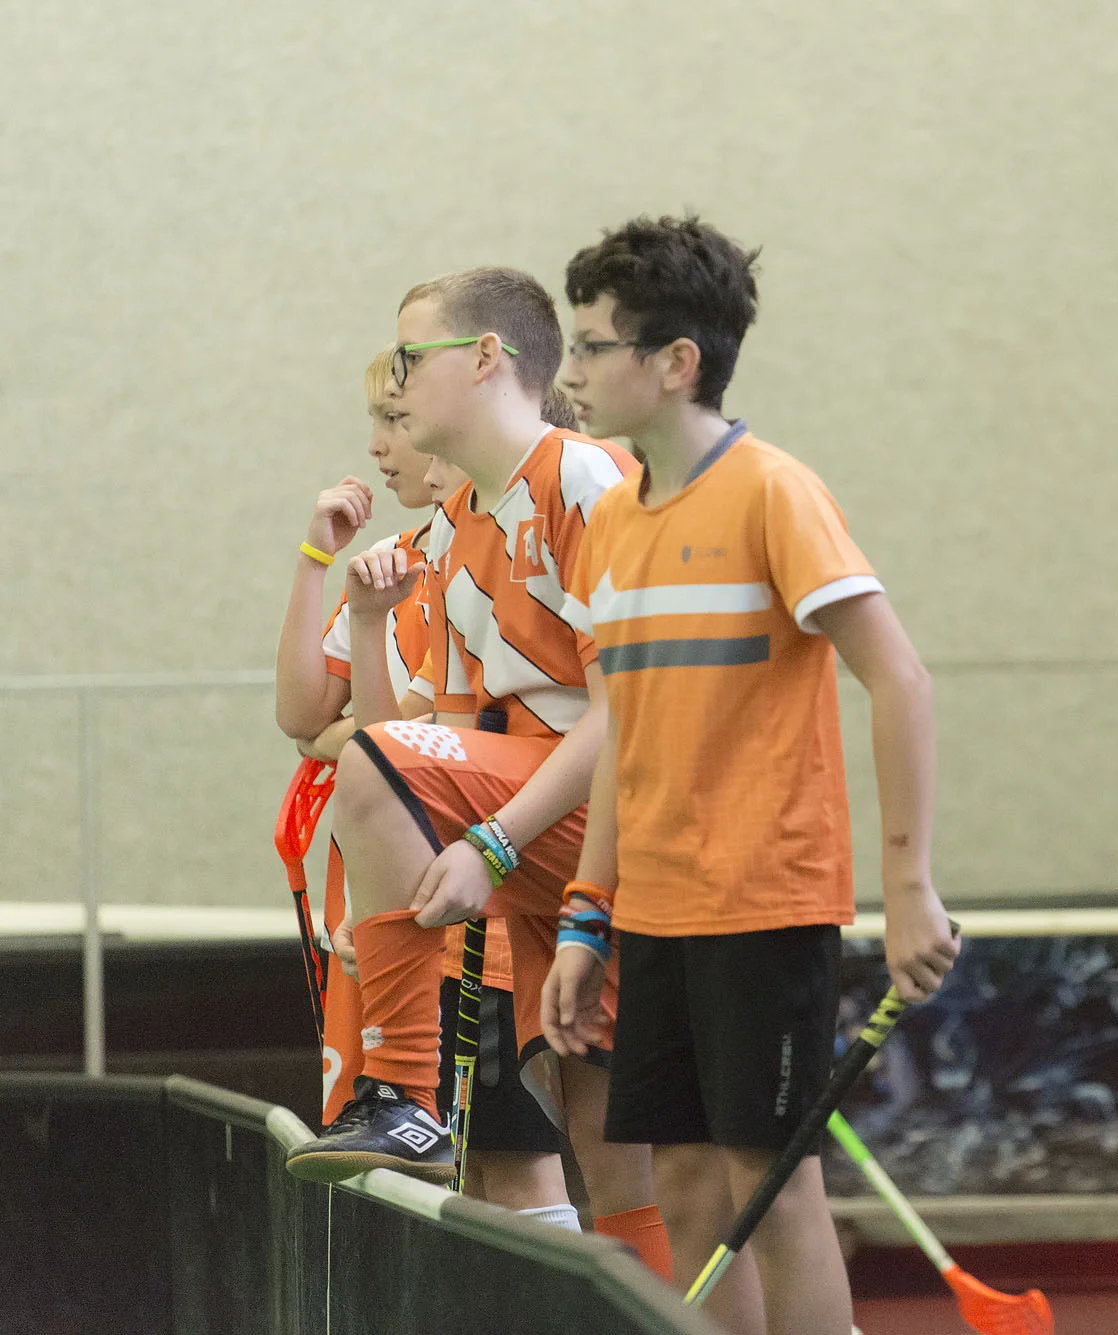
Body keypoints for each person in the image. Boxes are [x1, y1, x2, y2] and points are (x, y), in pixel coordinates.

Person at [536, 215, 958, 1335]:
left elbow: (899, 679)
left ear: (677, 361)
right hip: (654, 909)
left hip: (763, 902)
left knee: (771, 1190)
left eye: (592, 347)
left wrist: (907, 886)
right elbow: (623, 732)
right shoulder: (611, 519)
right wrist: (586, 915)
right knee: (682, 1182)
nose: (569, 373)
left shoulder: (774, 492)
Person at [282, 268, 671, 1275]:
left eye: (411, 359)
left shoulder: (585, 478)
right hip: (541, 847)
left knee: (682, 1169)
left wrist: (490, 843)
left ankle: (403, 1092)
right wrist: (398, 901)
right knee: (607, 1154)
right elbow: (409, 745)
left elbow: (623, 710)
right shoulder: (456, 521)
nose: (396, 385)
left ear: (488, 358)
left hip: (620, 824)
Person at [271, 350, 582, 1229]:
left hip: (500, 886)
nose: (380, 445)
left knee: (531, 1169)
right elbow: (325, 723)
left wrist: (343, 738)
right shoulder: (413, 558)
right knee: (478, 1179)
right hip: (437, 894)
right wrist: (321, 568)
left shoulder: (532, 535)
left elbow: (387, 742)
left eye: (400, 421)